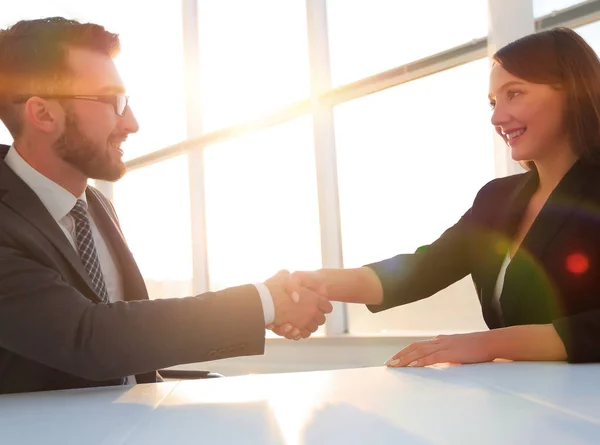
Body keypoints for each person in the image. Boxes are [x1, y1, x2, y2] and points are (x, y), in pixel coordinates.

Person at [0, 17, 331, 395]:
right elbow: (87, 337)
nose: (132, 123)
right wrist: (264, 304)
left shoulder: (94, 206)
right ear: (43, 114)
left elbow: (126, 340)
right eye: (114, 102)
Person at [284, 27, 600, 368]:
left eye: (515, 94)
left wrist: (487, 344)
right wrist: (317, 282)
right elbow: (423, 269)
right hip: (523, 398)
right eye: (493, 102)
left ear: (573, 93)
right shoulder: (498, 198)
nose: (497, 117)